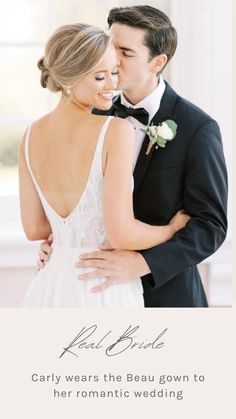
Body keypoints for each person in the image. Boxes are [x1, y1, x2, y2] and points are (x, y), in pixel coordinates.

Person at [38, 6, 228, 308]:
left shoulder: (198, 128)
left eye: (125, 52)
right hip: (95, 296)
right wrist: (59, 244)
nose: (111, 58)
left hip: (167, 298)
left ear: (158, 62)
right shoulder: (92, 113)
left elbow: (210, 227)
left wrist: (143, 263)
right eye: (109, 45)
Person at [19, 23, 189, 307]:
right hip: (101, 285)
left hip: (50, 284)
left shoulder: (29, 135)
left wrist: (66, 238)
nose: (112, 85)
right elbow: (121, 233)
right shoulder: (115, 130)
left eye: (113, 73)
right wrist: (172, 229)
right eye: (100, 77)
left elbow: (34, 229)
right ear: (70, 78)